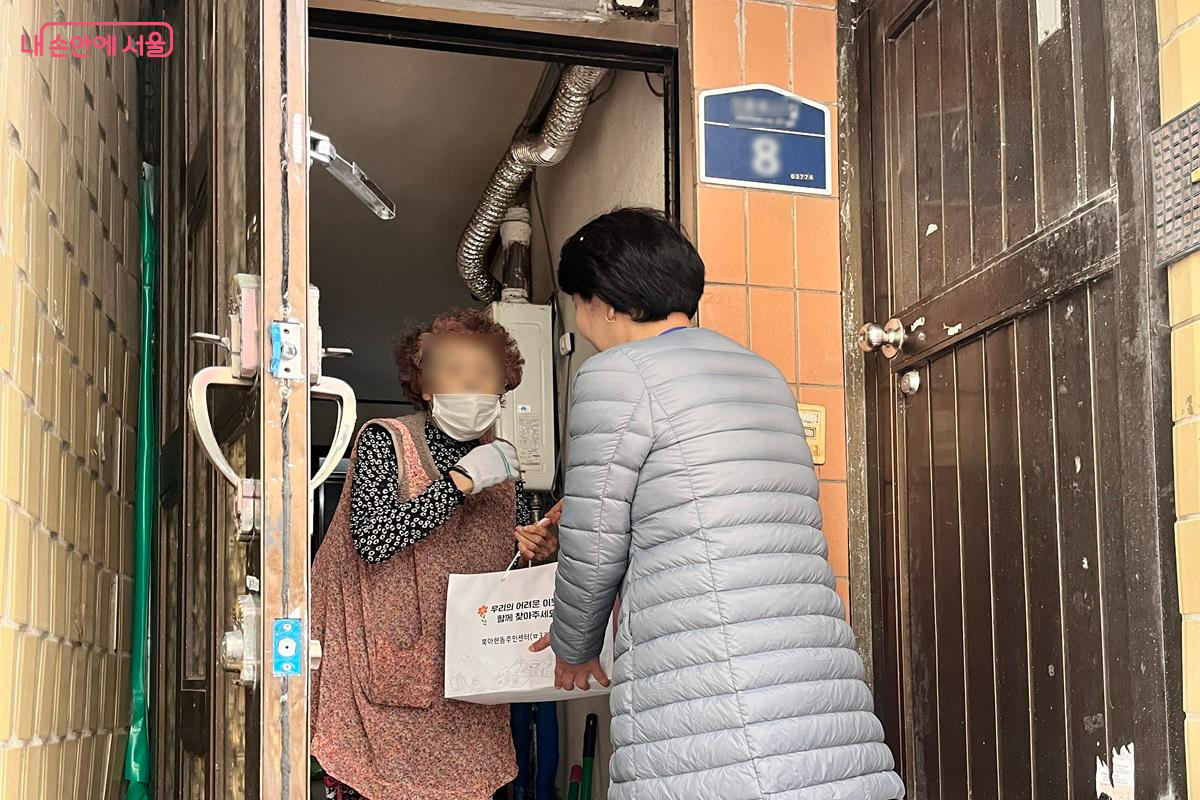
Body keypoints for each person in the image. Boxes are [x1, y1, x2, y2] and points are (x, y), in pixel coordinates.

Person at [531, 208, 906, 800]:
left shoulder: (615, 373)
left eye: (577, 303)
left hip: (708, 669)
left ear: (603, 302)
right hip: (810, 667)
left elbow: (594, 543)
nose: (581, 323)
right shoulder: (761, 372)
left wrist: (573, 649)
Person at [310, 308, 557, 800]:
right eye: (454, 370)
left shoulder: (503, 463)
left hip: (472, 686)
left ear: (504, 386)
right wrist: (461, 482)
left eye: (485, 372)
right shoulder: (386, 439)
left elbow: (504, 565)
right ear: (425, 385)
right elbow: (373, 539)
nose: (471, 382)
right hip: (385, 677)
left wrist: (537, 550)